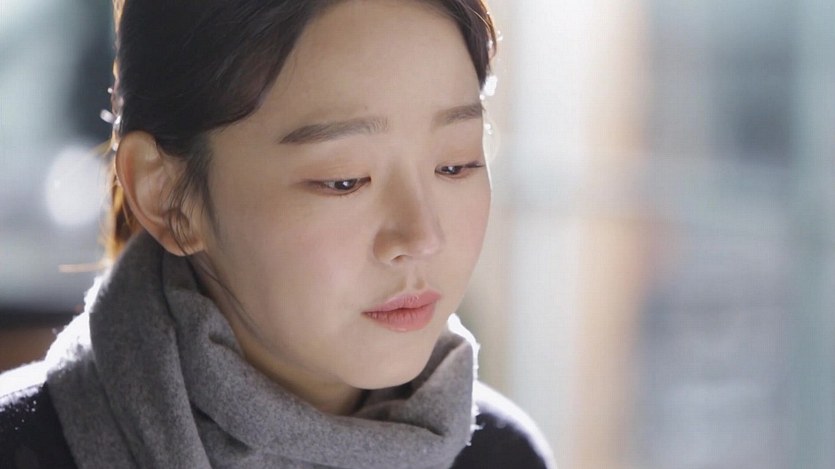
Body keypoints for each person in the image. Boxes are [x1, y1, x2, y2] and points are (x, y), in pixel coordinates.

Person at [0, 0, 555, 467]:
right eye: (344, 180)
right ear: (166, 196)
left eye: (455, 164)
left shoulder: (501, 455)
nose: (421, 236)